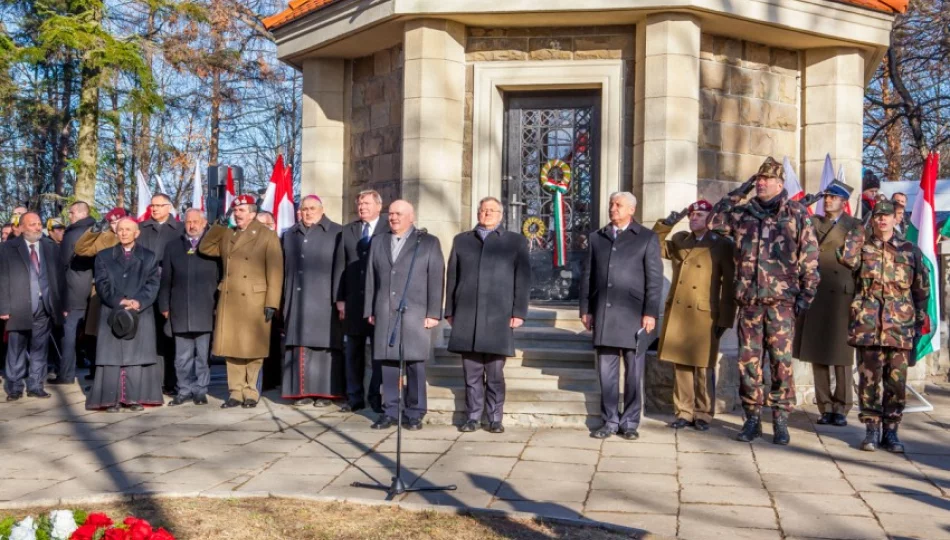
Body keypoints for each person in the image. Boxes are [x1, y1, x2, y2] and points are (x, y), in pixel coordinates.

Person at [709, 156, 820, 445]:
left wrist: (806, 295)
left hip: (782, 304)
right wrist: (741, 190)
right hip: (749, 304)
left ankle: (781, 421)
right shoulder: (743, 213)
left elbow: (809, 258)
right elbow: (714, 220)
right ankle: (752, 419)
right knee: (749, 363)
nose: (761, 183)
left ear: (780, 184)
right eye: (758, 179)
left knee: (781, 364)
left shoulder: (796, 213)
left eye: (766, 180)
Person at [838, 200, 930, 453]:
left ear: (895, 219)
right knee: (869, 381)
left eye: (886, 216)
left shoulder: (910, 250)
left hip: (899, 327)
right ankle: (871, 430)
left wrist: (920, 319)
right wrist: (860, 225)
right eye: (877, 216)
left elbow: (921, 288)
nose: (882, 220)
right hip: (868, 326)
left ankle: (891, 431)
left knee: (896, 383)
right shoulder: (862, 248)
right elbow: (846, 258)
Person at [445, 196, 529, 434]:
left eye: (492, 211)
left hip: (498, 316)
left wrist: (519, 312)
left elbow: (522, 280)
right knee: (471, 373)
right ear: (477, 213)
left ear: (501, 215)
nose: (487, 214)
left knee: (494, 374)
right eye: (483, 210)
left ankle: (494, 418)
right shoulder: (462, 241)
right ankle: (471, 417)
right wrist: (449, 310)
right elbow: (452, 277)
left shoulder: (515, 242)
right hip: (467, 315)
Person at [582, 192, 663, 441]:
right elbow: (588, 276)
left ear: (631, 210)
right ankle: (609, 420)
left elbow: (654, 280)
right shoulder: (598, 237)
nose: (613, 208)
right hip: (604, 315)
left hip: (634, 317)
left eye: (618, 205)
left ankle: (629, 422)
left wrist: (650, 313)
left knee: (633, 373)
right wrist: (585, 309)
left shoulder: (647, 238)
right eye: (611, 204)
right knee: (606, 374)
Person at [653, 200, 736, 431]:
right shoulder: (681, 240)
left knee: (702, 367)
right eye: (691, 215)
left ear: (710, 218)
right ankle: (683, 411)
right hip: (680, 311)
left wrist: (726, 318)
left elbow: (729, 284)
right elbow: (654, 246)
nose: (693, 218)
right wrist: (666, 224)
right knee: (681, 364)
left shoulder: (721, 245)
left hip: (705, 313)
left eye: (699, 214)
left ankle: (703, 413)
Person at [364, 200, 444, 430]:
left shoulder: (427, 242)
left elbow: (436, 278)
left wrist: (433, 313)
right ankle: (390, 411)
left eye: (399, 213)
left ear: (411, 216)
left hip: (416, 313)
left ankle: (415, 412)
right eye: (391, 214)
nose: (393, 217)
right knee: (388, 363)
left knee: (415, 364)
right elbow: (371, 277)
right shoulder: (378, 241)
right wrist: (370, 309)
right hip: (385, 311)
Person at [199, 195, 283, 409]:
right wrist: (217, 226)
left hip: (255, 298)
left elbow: (275, 271)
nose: (237, 214)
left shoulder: (267, 235)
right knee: (232, 348)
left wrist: (272, 303)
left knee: (253, 349)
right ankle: (235, 392)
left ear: (253, 214)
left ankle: (251, 392)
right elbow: (205, 248)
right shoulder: (228, 234)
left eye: (242, 210)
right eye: (235, 210)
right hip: (231, 298)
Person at [794, 180, 861, 427]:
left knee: (841, 355)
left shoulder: (854, 226)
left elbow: (855, 260)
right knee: (817, 351)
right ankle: (825, 406)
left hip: (841, 296)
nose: (828, 200)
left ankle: (842, 407)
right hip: (815, 293)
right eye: (826, 197)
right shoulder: (813, 222)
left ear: (844, 202)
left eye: (833, 197)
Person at [85, 218, 163, 412]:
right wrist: (119, 300)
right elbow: (102, 283)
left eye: (128, 230)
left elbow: (153, 283)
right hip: (112, 311)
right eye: (121, 230)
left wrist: (138, 301)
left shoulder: (149, 256)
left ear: (137, 233)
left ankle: (134, 398)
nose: (124, 233)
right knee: (111, 357)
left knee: (136, 357)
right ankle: (112, 400)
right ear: (116, 232)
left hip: (140, 311)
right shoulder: (103, 256)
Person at [281, 195, 345, 407]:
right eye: (304, 209)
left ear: (321, 209)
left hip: (324, 300)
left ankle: (325, 394)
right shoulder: (290, 234)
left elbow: (341, 268)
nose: (307, 213)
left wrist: (339, 298)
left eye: (312, 209)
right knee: (300, 347)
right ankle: (302, 392)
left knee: (324, 347)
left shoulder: (337, 232)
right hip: (297, 299)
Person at [159, 209, 220, 406]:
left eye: (196, 221)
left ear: (204, 223)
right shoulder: (173, 247)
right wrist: (164, 305)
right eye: (188, 222)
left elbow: (221, 278)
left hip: (205, 308)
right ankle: (183, 389)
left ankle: (200, 390)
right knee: (182, 357)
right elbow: (166, 279)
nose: (192, 225)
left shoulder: (213, 248)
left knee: (202, 356)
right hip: (179, 309)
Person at [0, 212, 64, 400]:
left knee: (40, 347)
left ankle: (36, 385)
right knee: (16, 348)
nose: (37, 227)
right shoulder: (8, 248)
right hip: (18, 305)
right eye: (32, 224)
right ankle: (14, 387)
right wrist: (4, 308)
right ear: (21, 227)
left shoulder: (49, 247)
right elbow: (2, 279)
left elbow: (59, 278)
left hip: (44, 306)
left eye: (39, 223)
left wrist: (61, 304)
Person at [336, 190, 388, 413]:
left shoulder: (388, 227)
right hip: (354, 301)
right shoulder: (348, 230)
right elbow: (340, 266)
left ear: (379, 206)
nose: (362, 207)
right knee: (353, 352)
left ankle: (375, 396)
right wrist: (340, 299)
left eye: (366, 203)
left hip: (379, 301)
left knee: (378, 352)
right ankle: (354, 397)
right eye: (359, 204)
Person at [74, 208, 129, 381]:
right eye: (112, 222)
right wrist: (94, 230)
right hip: (103, 291)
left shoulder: (134, 234)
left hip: (128, 290)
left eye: (118, 221)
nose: (116, 226)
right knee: (100, 336)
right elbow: (81, 249)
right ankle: (101, 378)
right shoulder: (104, 238)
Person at [138, 194, 185, 396]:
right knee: (149, 335)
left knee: (169, 336)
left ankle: (171, 382)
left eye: (159, 206)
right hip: (145, 287)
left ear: (169, 207)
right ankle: (150, 382)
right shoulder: (142, 228)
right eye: (152, 206)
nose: (154, 209)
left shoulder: (180, 230)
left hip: (171, 288)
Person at [52, 201, 97, 386]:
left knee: (68, 333)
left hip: (73, 289)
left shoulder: (72, 234)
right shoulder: (95, 230)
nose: (68, 216)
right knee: (92, 332)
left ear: (80, 213)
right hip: (91, 289)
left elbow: (61, 264)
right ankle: (95, 370)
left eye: (71, 213)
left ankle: (66, 374)